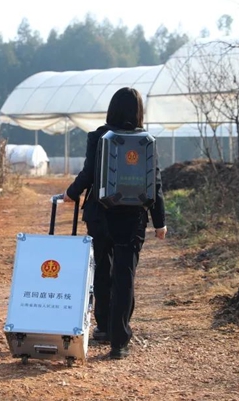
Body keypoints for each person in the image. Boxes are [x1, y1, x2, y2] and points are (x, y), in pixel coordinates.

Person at [63, 87, 166, 359]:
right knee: (125, 275)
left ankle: (104, 326)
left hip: (100, 214)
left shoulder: (99, 136)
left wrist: (71, 193)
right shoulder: (147, 141)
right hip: (132, 220)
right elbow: (154, 183)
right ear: (138, 112)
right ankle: (119, 341)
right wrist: (160, 222)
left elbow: (88, 173)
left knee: (103, 268)